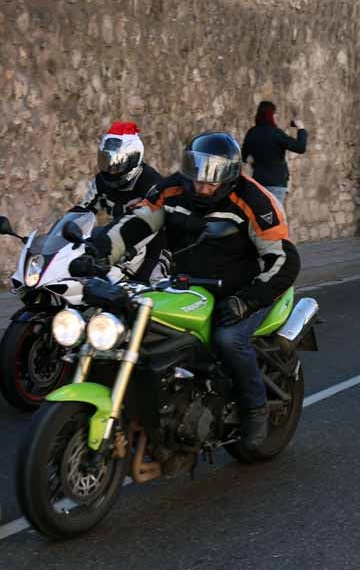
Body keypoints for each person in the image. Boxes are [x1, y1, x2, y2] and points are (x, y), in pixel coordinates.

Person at [84, 132, 301, 451]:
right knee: (137, 328)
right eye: (196, 175)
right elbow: (138, 223)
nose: (201, 186)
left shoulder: (256, 201)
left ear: (229, 177)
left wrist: (246, 302)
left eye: (210, 180)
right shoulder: (172, 189)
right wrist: (100, 250)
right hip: (188, 287)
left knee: (228, 340)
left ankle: (254, 412)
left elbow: (285, 260)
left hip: (247, 291)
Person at [71, 121, 165, 282]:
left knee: (149, 287)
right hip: (119, 242)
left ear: (134, 160)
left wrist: (131, 250)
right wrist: (62, 233)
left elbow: (153, 225)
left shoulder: (151, 182)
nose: (111, 170)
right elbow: (84, 209)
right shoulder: (102, 181)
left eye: (117, 164)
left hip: (154, 247)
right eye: (106, 161)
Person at [241, 101, 308, 209]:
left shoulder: (252, 133)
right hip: (276, 183)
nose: (276, 116)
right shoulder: (276, 133)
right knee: (275, 220)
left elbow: (243, 156)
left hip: (258, 181)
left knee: (260, 219)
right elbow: (300, 147)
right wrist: (301, 129)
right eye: (274, 113)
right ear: (270, 115)